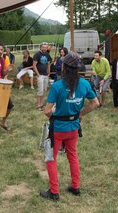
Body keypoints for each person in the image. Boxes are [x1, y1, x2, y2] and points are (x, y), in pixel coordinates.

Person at [40, 52, 99, 201]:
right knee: (72, 155)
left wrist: (54, 116)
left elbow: (47, 110)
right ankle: (75, 186)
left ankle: (54, 191)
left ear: (64, 67)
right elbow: (95, 103)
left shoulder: (58, 85)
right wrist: (80, 113)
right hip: (74, 127)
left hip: (58, 129)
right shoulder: (85, 83)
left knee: (50, 158)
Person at [33, 43, 53, 110]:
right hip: (40, 75)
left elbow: (48, 64)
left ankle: (41, 104)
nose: (44, 48)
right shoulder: (37, 55)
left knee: (44, 90)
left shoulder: (47, 54)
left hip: (46, 75)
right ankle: (38, 105)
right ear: (40, 48)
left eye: (45, 47)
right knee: (40, 90)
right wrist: (38, 74)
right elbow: (34, 65)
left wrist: (49, 73)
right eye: (43, 47)